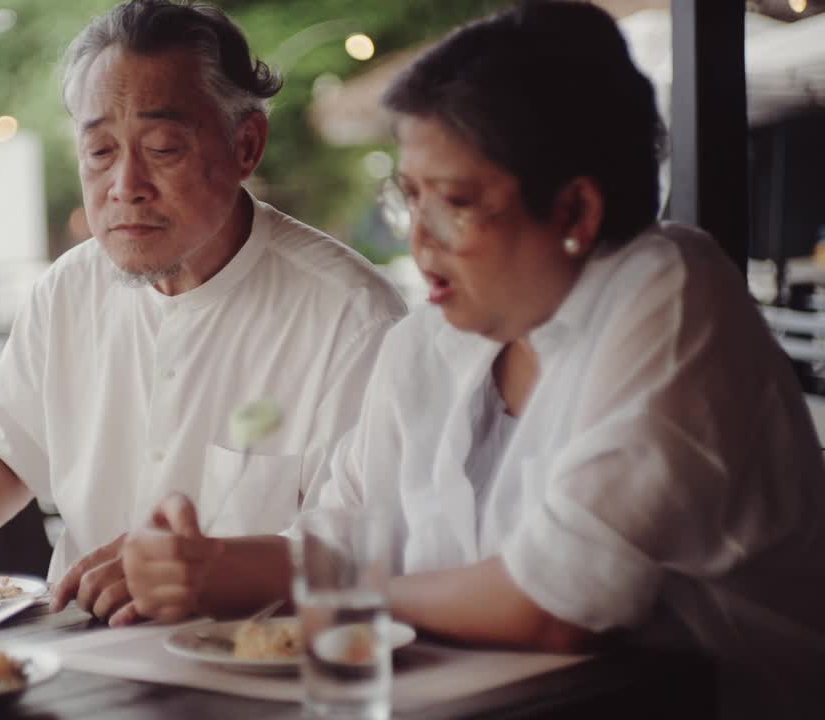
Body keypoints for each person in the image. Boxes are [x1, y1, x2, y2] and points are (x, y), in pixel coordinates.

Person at [122, 2, 825, 715]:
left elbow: (559, 604)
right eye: (409, 198)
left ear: (576, 212)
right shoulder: (428, 343)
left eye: (454, 203)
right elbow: (340, 540)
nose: (419, 242)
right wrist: (203, 565)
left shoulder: (669, 291)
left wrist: (347, 594)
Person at [0, 0, 406, 627]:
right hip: (70, 646)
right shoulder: (68, 291)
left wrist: (206, 568)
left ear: (246, 144)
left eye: (162, 147)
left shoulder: (351, 316)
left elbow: (364, 550)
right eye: (100, 152)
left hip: (255, 672)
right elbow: (6, 456)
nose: (125, 184)